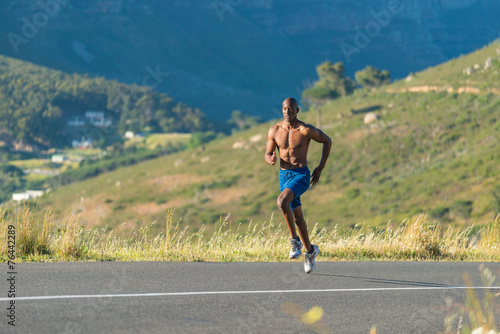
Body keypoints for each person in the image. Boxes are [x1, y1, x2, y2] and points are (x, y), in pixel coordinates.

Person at [265, 97, 332, 273]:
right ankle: (310, 251)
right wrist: (270, 158)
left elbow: (327, 141)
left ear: (297, 110)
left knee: (281, 202)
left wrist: (320, 167)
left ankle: (295, 242)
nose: (288, 112)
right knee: (297, 218)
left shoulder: (305, 130)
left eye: (291, 109)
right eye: (285, 109)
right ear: (282, 109)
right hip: (283, 176)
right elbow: (268, 152)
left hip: (301, 175)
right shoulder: (274, 130)